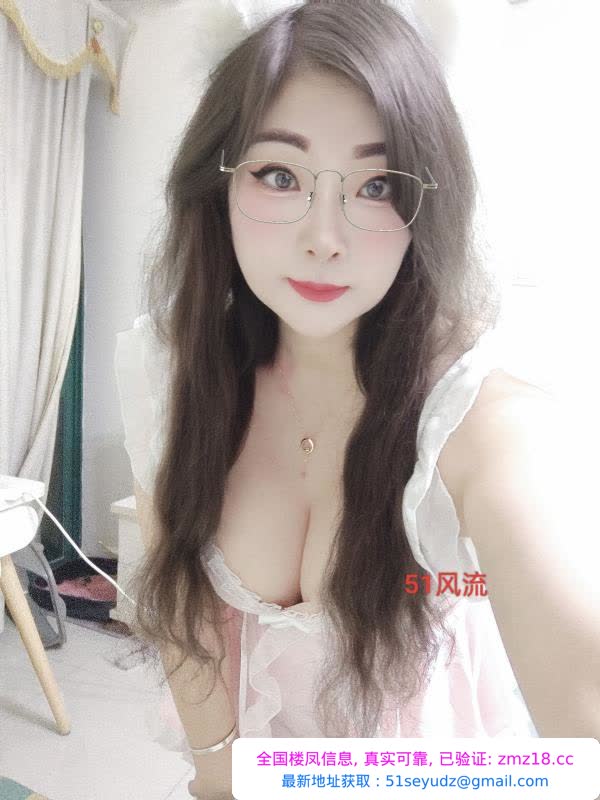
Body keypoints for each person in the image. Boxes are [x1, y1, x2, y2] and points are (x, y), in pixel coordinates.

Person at [113, 2, 600, 798]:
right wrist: (221, 773)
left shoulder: (474, 416)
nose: (325, 238)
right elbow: (185, 607)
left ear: (426, 206)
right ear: (219, 183)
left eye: (377, 185)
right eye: (280, 175)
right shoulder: (171, 368)